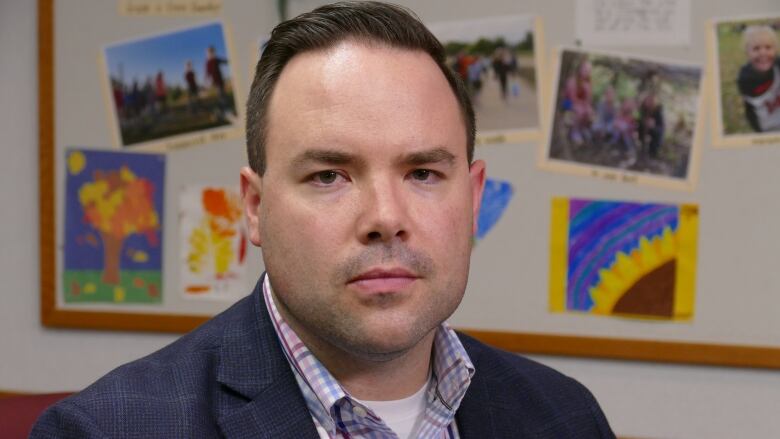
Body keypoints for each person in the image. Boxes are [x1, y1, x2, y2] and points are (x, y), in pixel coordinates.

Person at [31, 2, 614, 438]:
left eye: (423, 174)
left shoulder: (564, 417)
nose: (386, 219)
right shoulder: (106, 430)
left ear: (473, 199)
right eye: (329, 176)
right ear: (254, 208)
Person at [736, 24, 780, 132]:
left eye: (768, 47)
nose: (763, 53)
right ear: (747, 52)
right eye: (756, 48)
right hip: (768, 127)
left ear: (775, 50)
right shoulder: (745, 79)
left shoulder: (777, 65)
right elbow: (749, 107)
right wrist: (758, 131)